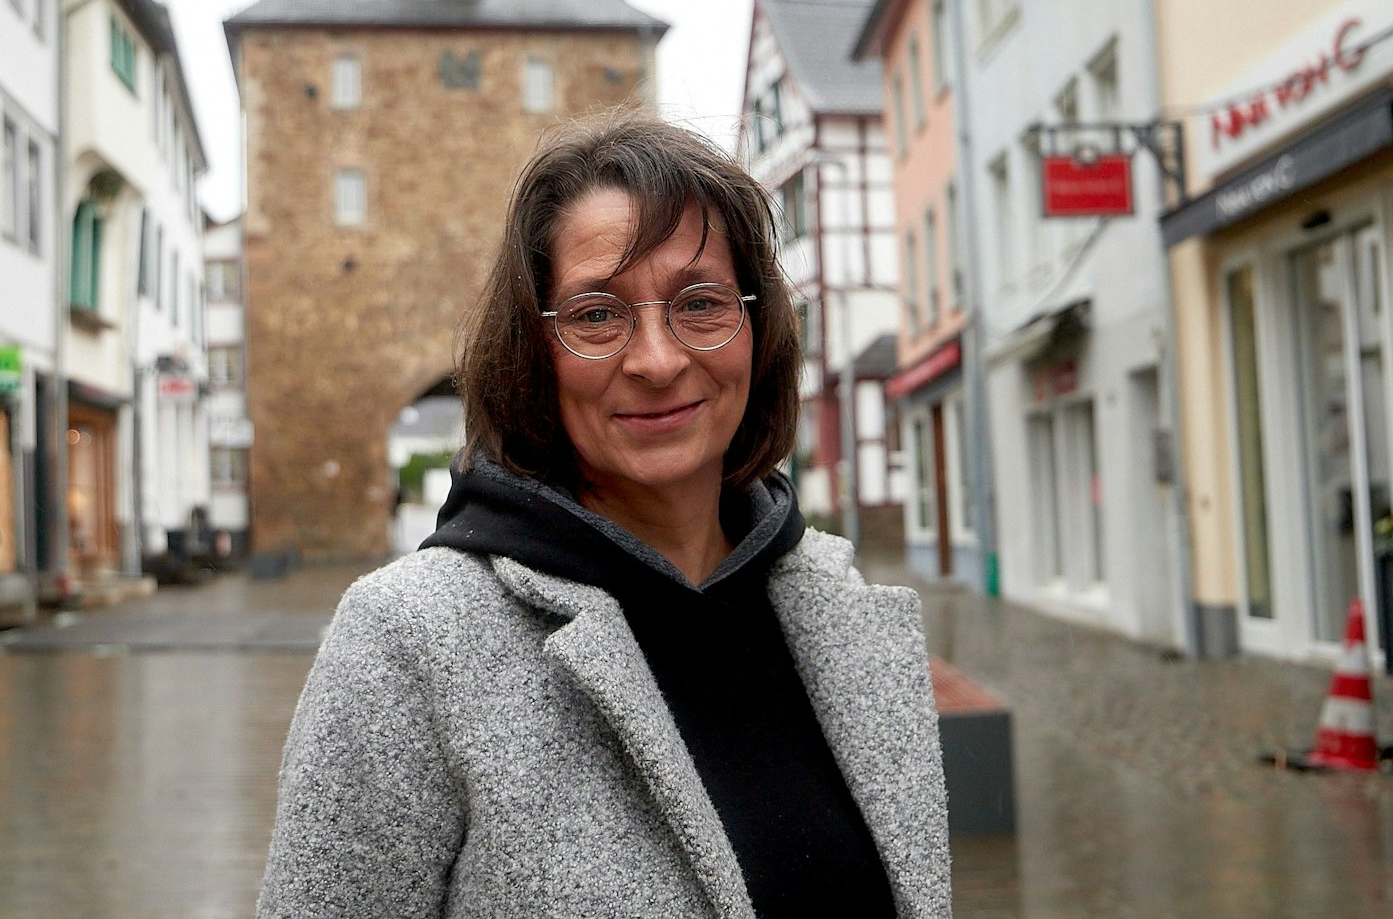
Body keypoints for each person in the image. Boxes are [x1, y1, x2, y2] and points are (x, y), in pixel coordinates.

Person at [256, 111, 951, 918]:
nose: (657, 359)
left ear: (757, 328)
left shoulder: (837, 608)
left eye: (700, 302)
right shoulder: (407, 641)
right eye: (596, 314)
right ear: (534, 351)